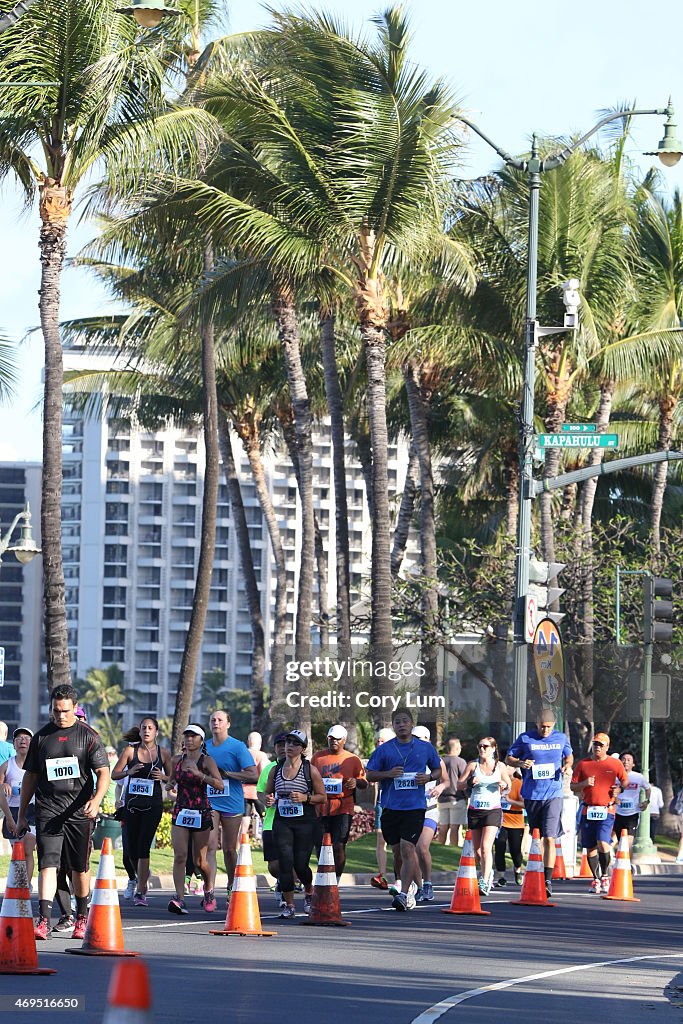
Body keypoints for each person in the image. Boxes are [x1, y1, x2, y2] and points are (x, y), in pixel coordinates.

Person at [15, 684, 110, 941]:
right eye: (56, 711)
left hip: (79, 811)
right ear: (51, 709)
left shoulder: (89, 736)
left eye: (66, 711)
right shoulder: (42, 738)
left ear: (74, 708)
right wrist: (23, 813)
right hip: (48, 809)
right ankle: (43, 919)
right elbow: (31, 778)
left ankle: (81, 916)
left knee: (79, 867)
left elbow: (104, 773)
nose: (61, 716)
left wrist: (97, 799)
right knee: (48, 865)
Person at [366, 708, 442, 912]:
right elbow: (370, 775)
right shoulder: (385, 750)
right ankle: (413, 884)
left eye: (405, 721)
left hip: (415, 807)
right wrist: (388, 773)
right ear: (393, 725)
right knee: (398, 851)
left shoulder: (425, 748)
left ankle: (404, 893)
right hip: (391, 807)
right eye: (397, 722)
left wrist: (429, 778)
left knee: (409, 848)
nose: (401, 725)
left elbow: (437, 770)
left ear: (411, 724)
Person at [506, 708, 573, 897]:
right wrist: (520, 763)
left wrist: (567, 765)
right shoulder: (526, 738)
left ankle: (548, 880)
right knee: (536, 836)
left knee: (549, 836)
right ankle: (534, 873)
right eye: (543, 727)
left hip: (553, 793)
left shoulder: (560, 738)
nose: (545, 731)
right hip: (532, 794)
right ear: (536, 723)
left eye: (549, 727)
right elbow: (509, 758)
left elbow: (569, 756)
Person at [264, 730, 326, 919]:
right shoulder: (276, 769)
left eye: (295, 743)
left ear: (303, 748)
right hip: (282, 820)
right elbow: (268, 792)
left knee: (300, 865)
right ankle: (289, 904)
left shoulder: (310, 770)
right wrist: (269, 799)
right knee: (284, 861)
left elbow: (322, 797)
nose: (289, 746)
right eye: (287, 743)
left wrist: (305, 797)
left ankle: (308, 891)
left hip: (305, 821)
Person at [111, 716, 172, 906]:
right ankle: (141, 874)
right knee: (130, 851)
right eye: (143, 727)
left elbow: (173, 779)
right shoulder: (130, 751)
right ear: (139, 730)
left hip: (153, 806)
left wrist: (163, 776)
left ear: (156, 732)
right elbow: (114, 774)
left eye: (150, 728)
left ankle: (141, 890)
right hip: (131, 806)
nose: (146, 731)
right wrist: (128, 772)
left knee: (143, 847)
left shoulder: (164, 753)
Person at [168, 724, 223, 915]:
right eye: (186, 736)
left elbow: (220, 785)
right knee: (180, 856)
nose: (189, 739)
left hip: (201, 811)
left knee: (200, 861)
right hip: (181, 811)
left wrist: (200, 775)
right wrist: (170, 784)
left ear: (201, 740)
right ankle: (179, 898)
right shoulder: (176, 760)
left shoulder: (206, 760)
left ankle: (208, 890)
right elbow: (172, 780)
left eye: (193, 736)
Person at [205, 710, 258, 909]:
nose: (216, 722)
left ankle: (231, 885)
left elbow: (253, 775)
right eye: (213, 720)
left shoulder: (237, 747)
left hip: (232, 802)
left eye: (220, 720)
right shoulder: (205, 746)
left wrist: (228, 774)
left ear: (228, 723)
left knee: (229, 849)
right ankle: (209, 890)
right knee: (209, 846)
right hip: (210, 801)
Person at [571, 732, 629, 893]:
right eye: (596, 744)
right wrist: (584, 783)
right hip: (588, 810)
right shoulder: (583, 764)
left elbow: (625, 779)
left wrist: (620, 788)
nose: (597, 747)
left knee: (603, 842)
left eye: (601, 745)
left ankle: (605, 876)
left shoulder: (614, 764)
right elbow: (572, 786)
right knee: (590, 848)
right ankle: (595, 879)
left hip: (607, 809)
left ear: (607, 747)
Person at [458, 736, 513, 896]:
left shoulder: (500, 766)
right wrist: (469, 782)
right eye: (480, 746)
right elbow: (459, 784)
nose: (482, 749)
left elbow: (508, 785)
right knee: (477, 851)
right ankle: (487, 872)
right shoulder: (473, 765)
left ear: (493, 749)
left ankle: (485, 879)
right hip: (475, 810)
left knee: (486, 847)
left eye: (486, 746)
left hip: (493, 810)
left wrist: (504, 785)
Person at [311, 724, 368, 880]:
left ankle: (335, 879)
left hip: (343, 805)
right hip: (321, 805)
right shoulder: (318, 757)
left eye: (337, 739)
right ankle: (324, 875)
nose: (333, 741)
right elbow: (309, 778)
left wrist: (356, 782)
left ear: (344, 740)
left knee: (338, 844)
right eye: (331, 738)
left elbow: (364, 782)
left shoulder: (353, 759)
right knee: (320, 844)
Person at [412, 725, 447, 903]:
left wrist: (440, 787)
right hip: (410, 810)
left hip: (429, 810)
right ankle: (418, 886)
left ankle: (428, 882)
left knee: (421, 847)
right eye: (414, 738)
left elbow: (446, 781)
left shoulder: (435, 759)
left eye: (419, 738)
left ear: (427, 739)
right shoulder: (406, 758)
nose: (416, 742)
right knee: (410, 849)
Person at [0, 727, 37, 881]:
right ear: (13, 744)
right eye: (19, 738)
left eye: (27, 738)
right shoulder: (7, 765)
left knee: (27, 848)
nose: (23, 741)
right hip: (12, 811)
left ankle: (26, 886)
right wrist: (8, 818)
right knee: (18, 851)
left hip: (32, 811)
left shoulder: (37, 765)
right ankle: (19, 884)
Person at [256, 732, 289, 907]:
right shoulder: (269, 769)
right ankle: (280, 881)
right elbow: (260, 791)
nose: (283, 749)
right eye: (279, 745)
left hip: (293, 822)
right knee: (274, 866)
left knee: (291, 861)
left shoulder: (302, 768)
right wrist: (266, 799)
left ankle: (286, 892)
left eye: (286, 744)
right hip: (271, 822)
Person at [370, 727, 395, 890]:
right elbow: (374, 784)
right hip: (382, 803)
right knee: (381, 839)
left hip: (398, 803)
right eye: (377, 740)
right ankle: (382, 875)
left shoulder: (397, 757)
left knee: (399, 843)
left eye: (383, 741)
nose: (379, 743)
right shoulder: (376, 759)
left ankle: (403, 876)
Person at [613, 751, 650, 858]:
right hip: (617, 812)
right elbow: (606, 790)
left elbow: (648, 789)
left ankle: (627, 865)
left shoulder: (638, 777)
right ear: (619, 761)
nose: (626, 762)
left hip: (632, 813)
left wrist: (646, 802)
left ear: (633, 764)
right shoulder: (614, 776)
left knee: (628, 841)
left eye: (629, 760)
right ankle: (621, 864)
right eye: (623, 759)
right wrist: (614, 798)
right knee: (620, 841)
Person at [493, 767, 525, 887]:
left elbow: (525, 804)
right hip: (500, 820)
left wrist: (510, 801)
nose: (505, 769)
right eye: (504, 766)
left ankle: (517, 870)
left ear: (514, 770)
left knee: (515, 850)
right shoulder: (497, 782)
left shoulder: (518, 783)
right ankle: (501, 877)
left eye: (509, 767)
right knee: (499, 847)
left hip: (516, 822)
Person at [436, 736, 468, 847]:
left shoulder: (441, 761)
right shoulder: (460, 762)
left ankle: (441, 846)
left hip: (442, 798)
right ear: (457, 748)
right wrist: (467, 796)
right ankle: (453, 848)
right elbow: (464, 780)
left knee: (444, 826)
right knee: (455, 827)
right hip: (457, 798)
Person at [241, 732, 270, 838]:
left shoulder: (243, 754)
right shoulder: (261, 755)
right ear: (260, 743)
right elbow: (264, 773)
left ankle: (239, 847)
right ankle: (266, 844)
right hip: (258, 792)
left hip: (244, 791)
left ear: (248, 741)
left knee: (244, 821)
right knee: (264, 820)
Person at [649, 780, 664, 845]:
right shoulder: (658, 790)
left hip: (644, 812)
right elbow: (661, 804)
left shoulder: (642, 789)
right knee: (653, 830)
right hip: (655, 812)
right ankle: (651, 843)